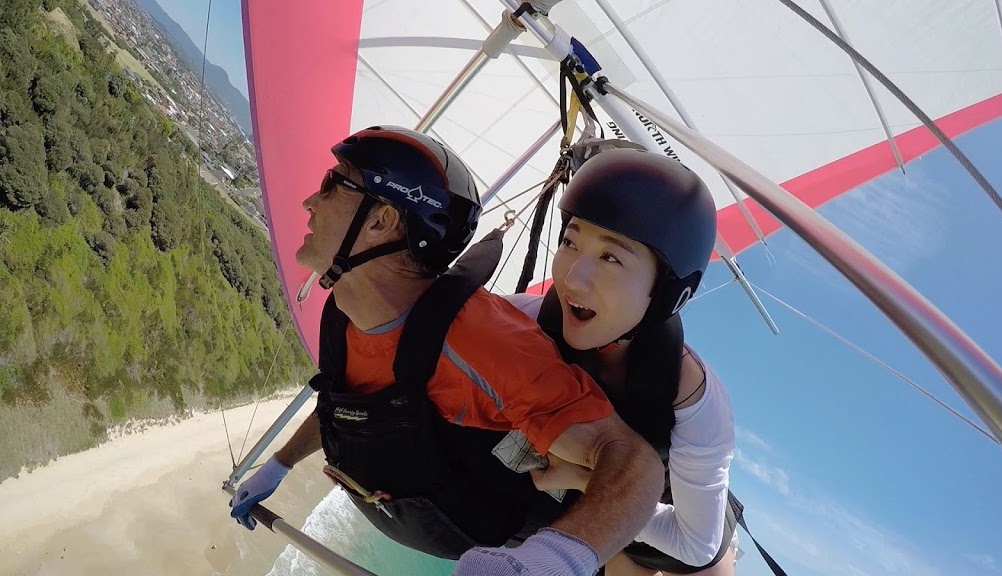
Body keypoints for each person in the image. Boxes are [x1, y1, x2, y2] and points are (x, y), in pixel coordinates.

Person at [228, 125, 665, 576]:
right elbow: (348, 403)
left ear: (381, 221)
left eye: (333, 184)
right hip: (406, 514)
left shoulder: (482, 342)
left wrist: (552, 558)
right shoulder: (344, 309)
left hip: (503, 532)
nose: (311, 202)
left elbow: (635, 462)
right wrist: (279, 465)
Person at [503, 147, 739, 575]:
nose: (573, 278)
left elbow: (694, 546)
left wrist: (585, 481)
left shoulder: (695, 399)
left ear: (667, 290)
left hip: (677, 524)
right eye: (570, 242)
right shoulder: (519, 322)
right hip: (606, 510)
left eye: (611, 257)